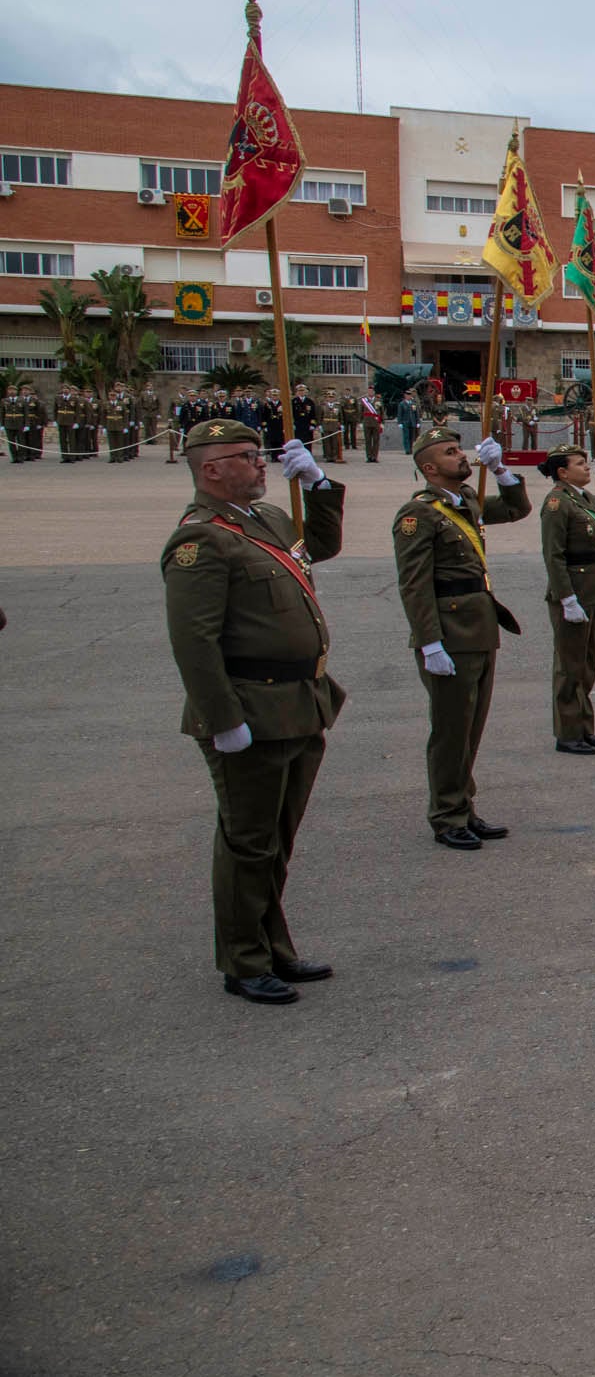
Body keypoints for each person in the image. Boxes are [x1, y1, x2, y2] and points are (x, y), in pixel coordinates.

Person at [161, 418, 345, 1005]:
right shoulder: (200, 540)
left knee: (277, 839)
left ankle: (274, 947)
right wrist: (223, 720)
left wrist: (318, 486)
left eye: (260, 453)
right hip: (250, 710)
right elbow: (194, 642)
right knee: (249, 842)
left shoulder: (265, 519)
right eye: (246, 455)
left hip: (299, 704)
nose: (261, 461)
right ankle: (243, 960)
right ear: (211, 469)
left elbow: (321, 547)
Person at [394, 428, 532, 849]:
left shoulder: (465, 501)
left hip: (479, 627)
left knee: (470, 728)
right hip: (450, 633)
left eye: (460, 449)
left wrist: (501, 469)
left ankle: (463, 807)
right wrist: (429, 642)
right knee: (451, 731)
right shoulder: (418, 515)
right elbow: (414, 586)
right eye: (451, 453)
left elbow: (516, 509)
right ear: (430, 468)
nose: (462, 457)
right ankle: (446, 814)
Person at [537, 445, 595, 755]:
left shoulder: (583, 498)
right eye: (580, 464)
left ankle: (584, 728)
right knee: (570, 668)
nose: (587, 468)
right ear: (562, 472)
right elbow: (554, 555)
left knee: (587, 666)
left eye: (587, 463)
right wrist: (566, 598)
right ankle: (568, 732)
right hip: (576, 593)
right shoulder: (558, 503)